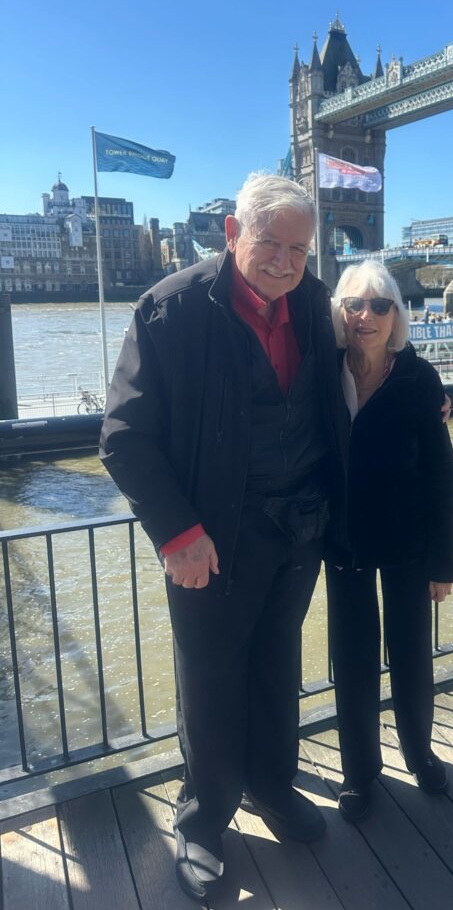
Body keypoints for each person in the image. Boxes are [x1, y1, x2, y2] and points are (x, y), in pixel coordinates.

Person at [100, 173, 350, 902]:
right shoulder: (170, 311)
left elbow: (361, 362)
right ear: (232, 234)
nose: (283, 259)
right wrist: (176, 532)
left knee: (277, 667)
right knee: (209, 678)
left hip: (297, 528)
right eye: (269, 241)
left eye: (298, 248)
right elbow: (123, 436)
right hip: (210, 540)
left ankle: (273, 787)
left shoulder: (311, 301)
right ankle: (204, 817)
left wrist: (421, 395)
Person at [325, 261, 453, 824]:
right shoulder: (322, 373)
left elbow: (440, 472)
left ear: (396, 316)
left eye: (380, 305)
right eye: (354, 304)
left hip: (407, 540)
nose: (366, 316)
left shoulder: (419, 379)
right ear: (340, 312)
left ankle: (418, 752)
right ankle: (360, 773)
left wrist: (443, 562)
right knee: (352, 661)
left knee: (411, 656)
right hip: (343, 542)